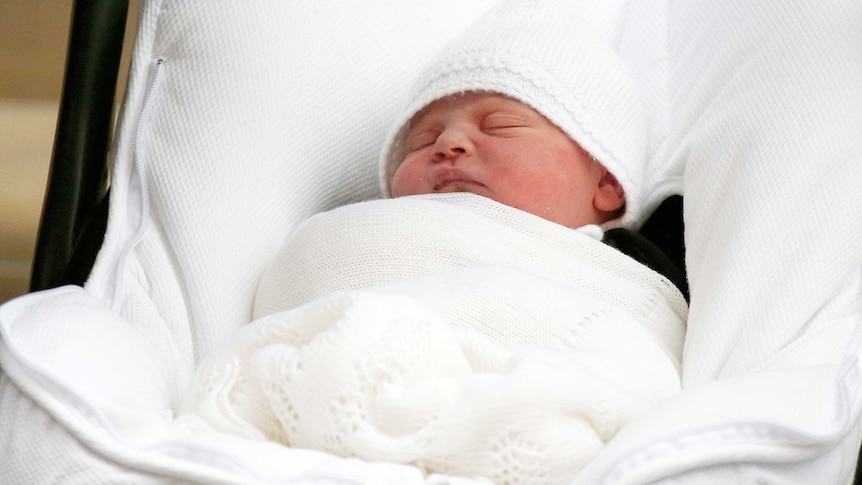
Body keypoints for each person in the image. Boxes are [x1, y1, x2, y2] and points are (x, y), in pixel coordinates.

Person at [176, 1, 688, 483]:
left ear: (607, 184)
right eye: (421, 141)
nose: (448, 144)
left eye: (501, 125)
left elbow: (635, 365)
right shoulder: (374, 232)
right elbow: (304, 289)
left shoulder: (615, 275)